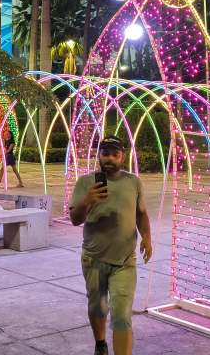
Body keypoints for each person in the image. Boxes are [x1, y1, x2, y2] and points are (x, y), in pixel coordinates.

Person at [69, 135, 152, 355]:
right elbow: (75, 219)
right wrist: (88, 200)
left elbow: (141, 213)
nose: (110, 158)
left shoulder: (134, 182)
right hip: (93, 259)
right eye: (105, 153)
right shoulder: (86, 182)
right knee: (97, 307)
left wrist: (147, 237)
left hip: (125, 261)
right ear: (99, 155)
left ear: (123, 157)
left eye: (115, 154)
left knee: (122, 316)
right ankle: (100, 344)